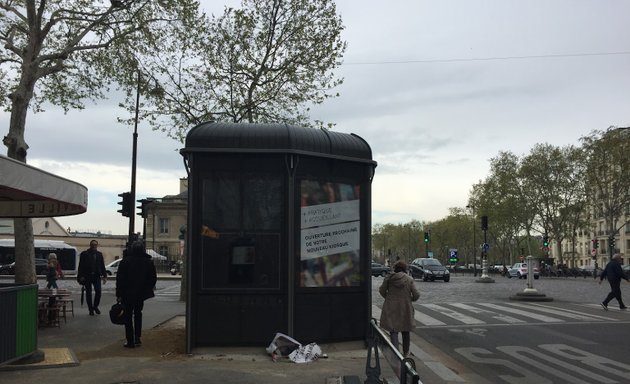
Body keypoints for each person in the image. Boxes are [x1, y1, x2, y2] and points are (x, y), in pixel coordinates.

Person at [116, 240, 157, 348]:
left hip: (127, 293)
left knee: (128, 316)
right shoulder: (148, 262)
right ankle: (137, 337)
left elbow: (120, 279)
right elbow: (153, 278)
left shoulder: (126, 261)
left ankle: (130, 340)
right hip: (141, 293)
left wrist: (119, 293)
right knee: (138, 314)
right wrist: (147, 289)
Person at [379, 260, 420, 357]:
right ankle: (406, 353)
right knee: (405, 329)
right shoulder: (409, 279)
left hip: (391, 306)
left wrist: (388, 298)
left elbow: (382, 290)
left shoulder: (389, 278)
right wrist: (410, 299)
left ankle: (395, 353)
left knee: (393, 329)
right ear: (405, 269)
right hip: (405, 307)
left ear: (395, 268)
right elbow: (416, 294)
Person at [77, 240, 107, 316]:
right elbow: (80, 266)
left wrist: (104, 276)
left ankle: (95, 306)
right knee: (88, 293)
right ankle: (90, 309)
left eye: (95, 245)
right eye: (93, 244)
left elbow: (102, 266)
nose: (94, 246)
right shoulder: (84, 254)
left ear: (97, 246)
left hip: (96, 276)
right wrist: (80, 276)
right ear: (90, 245)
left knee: (98, 291)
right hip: (87, 276)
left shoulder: (99, 254)